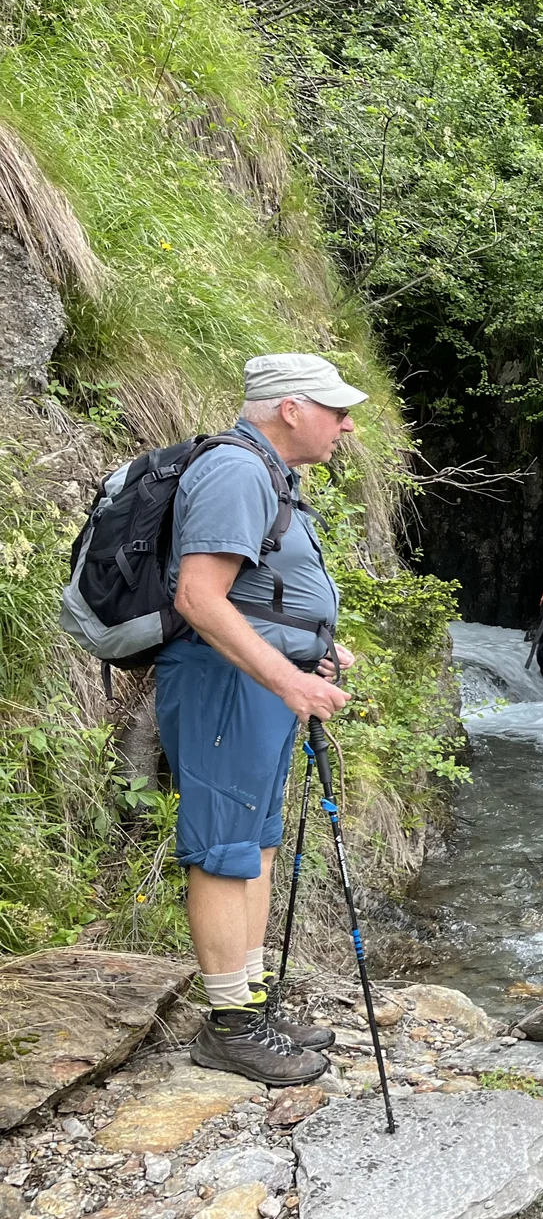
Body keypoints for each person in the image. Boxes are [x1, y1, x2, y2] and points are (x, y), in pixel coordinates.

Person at [163, 353, 366, 1085]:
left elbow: (259, 592)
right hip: (226, 684)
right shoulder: (236, 471)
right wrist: (288, 676)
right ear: (290, 408)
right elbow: (199, 596)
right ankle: (229, 1027)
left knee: (255, 843)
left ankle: (250, 1004)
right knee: (224, 847)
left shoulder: (269, 474)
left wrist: (315, 650)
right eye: (336, 410)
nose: (347, 425)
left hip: (258, 686)